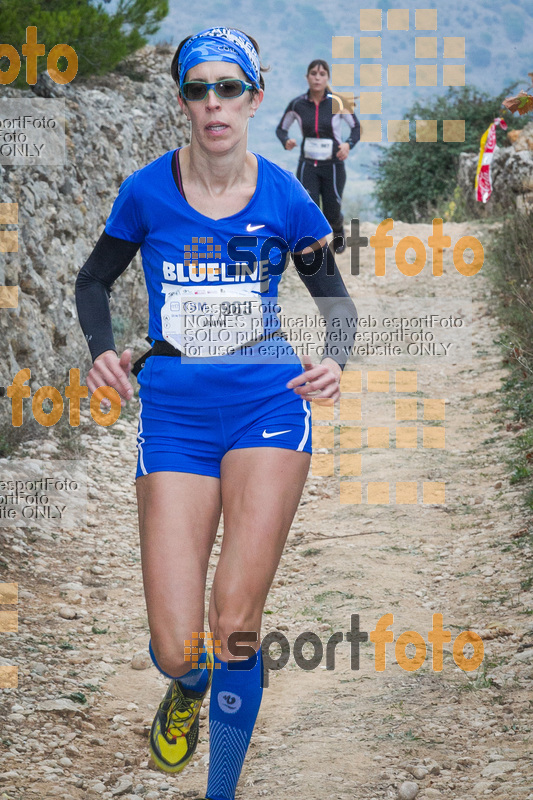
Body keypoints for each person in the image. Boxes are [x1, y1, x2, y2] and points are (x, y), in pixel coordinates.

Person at [75, 27, 357, 800]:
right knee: (177, 646)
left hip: (268, 405)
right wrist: (104, 349)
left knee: (234, 619)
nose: (213, 103)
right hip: (174, 418)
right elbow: (93, 281)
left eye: (228, 88)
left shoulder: (284, 197)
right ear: (182, 102)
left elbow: (334, 301)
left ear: (254, 99)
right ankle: (188, 689)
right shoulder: (146, 191)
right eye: (197, 89)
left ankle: (221, 790)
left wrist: (334, 357)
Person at [276, 59, 360, 254]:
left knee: (332, 209)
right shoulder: (297, 104)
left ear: (327, 78)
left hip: (333, 166)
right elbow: (281, 129)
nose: (317, 77)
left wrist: (348, 144)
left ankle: (338, 231)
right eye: (313, 73)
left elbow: (355, 128)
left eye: (322, 74)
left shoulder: (337, 103)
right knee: (308, 206)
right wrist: (286, 140)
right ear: (307, 78)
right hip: (307, 165)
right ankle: (314, 247)